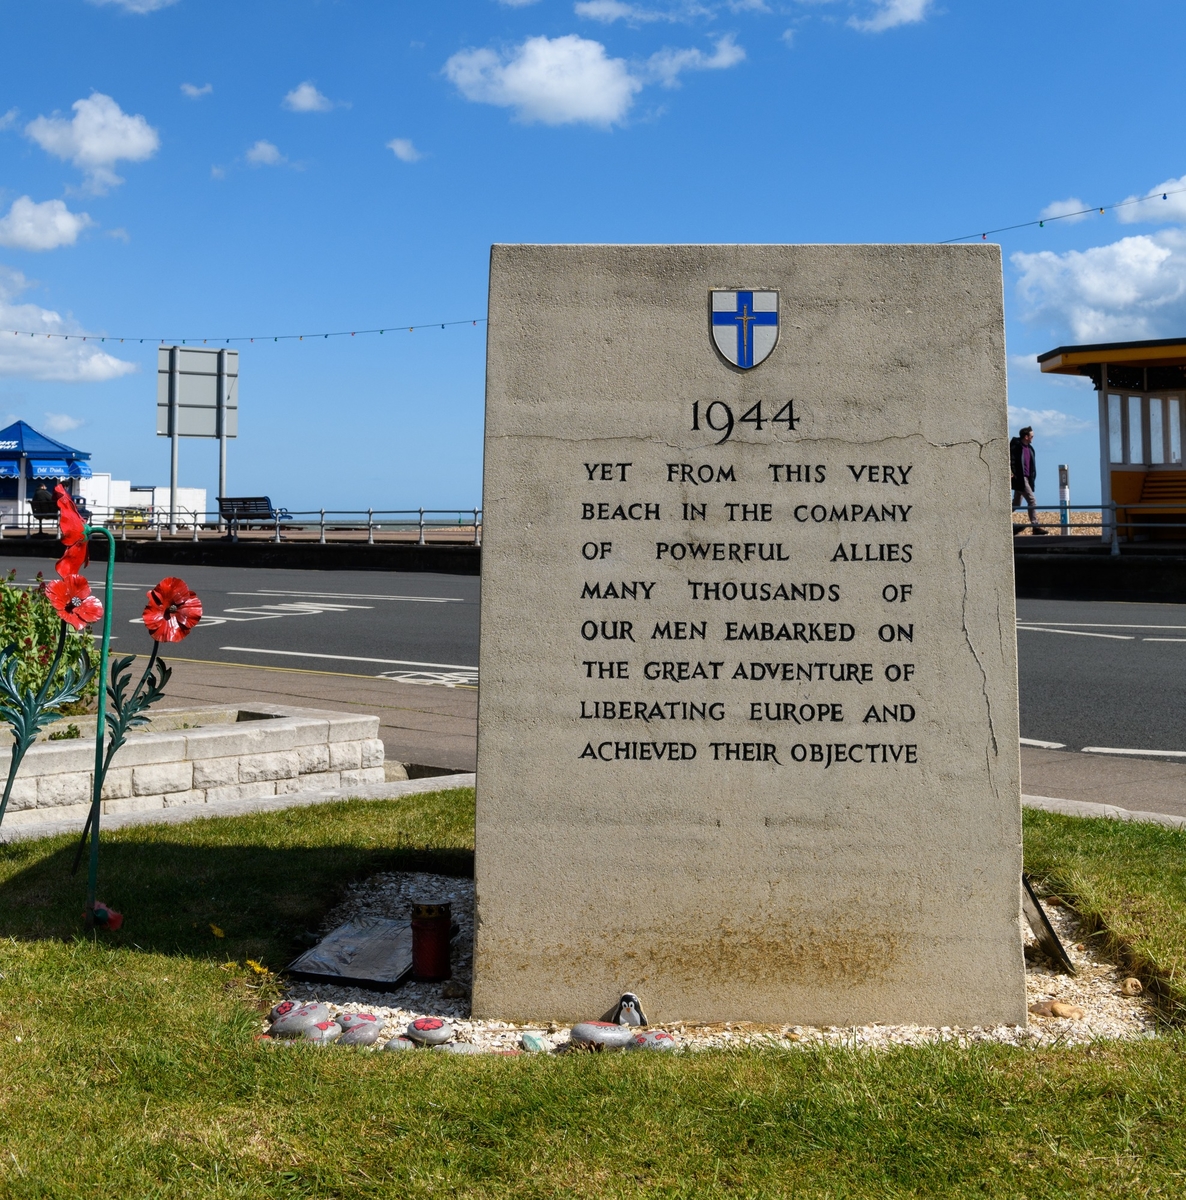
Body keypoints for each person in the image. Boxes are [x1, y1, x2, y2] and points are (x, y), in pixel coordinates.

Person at [1010, 425, 1047, 535]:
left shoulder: (1030, 449)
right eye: (1032, 436)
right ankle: (1035, 526)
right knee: (1032, 501)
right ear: (1026, 437)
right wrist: (1012, 473)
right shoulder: (1016, 447)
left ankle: (999, 518)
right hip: (1020, 478)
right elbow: (1010, 460)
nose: (1033, 438)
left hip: (1027, 478)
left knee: (1016, 503)